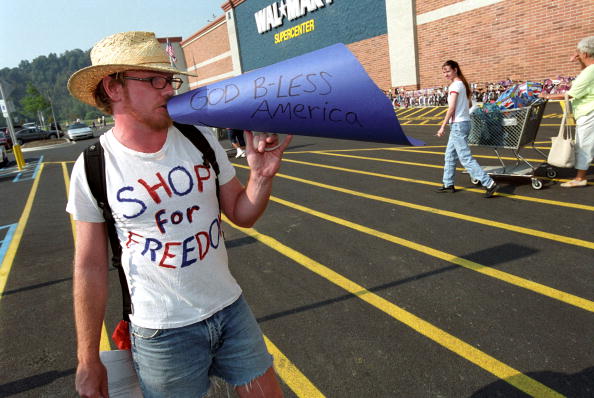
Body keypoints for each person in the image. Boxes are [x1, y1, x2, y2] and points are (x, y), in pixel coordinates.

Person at [66, 31, 292, 398]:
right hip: (162, 333)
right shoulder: (94, 166)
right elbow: (89, 267)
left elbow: (242, 212)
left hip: (230, 309)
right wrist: (87, 358)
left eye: (168, 80)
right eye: (154, 80)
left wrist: (261, 177)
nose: (169, 90)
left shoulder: (198, 138)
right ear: (113, 88)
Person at [436, 60, 498, 198]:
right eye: (444, 72)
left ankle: (489, 183)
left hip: (458, 125)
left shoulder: (455, 86)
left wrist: (442, 126)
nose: (445, 74)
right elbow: (469, 104)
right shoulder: (462, 85)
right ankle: (448, 183)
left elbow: (451, 108)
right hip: (463, 123)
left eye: (448, 71)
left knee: (464, 157)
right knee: (450, 155)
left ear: (455, 70)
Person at [540, 36, 594, 188]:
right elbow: (583, 75)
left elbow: (571, 93)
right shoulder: (589, 69)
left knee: (584, 145)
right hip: (588, 111)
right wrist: (579, 60)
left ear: (585, 53)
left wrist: (547, 96)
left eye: (579, 51)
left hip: (589, 112)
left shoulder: (590, 71)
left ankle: (580, 178)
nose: (576, 53)